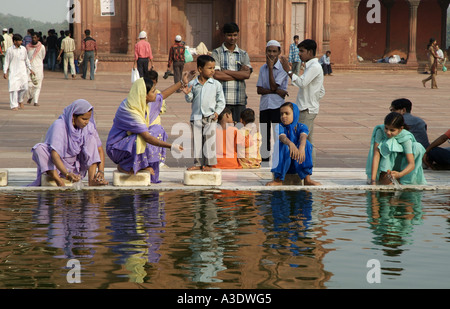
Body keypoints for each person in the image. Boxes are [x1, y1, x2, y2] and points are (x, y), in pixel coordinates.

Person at [107, 72, 194, 183]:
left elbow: (162, 95)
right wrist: (171, 146)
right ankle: (125, 166)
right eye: (153, 91)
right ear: (144, 95)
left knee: (158, 130)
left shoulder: (143, 101)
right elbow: (147, 138)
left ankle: (143, 165)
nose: (155, 93)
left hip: (128, 143)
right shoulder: (130, 111)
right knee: (141, 139)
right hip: (117, 148)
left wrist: (181, 83)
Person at [30, 99, 108, 187]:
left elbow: (99, 149)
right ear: (73, 116)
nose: (86, 122)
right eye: (84, 119)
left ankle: (92, 180)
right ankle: (58, 180)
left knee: (92, 140)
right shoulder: (59, 125)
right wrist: (66, 174)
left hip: (75, 167)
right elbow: (54, 154)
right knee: (39, 149)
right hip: (56, 166)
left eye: (88, 119)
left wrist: (101, 171)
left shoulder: (88, 127)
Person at [280, 39, 325, 165]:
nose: (299, 54)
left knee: (302, 140)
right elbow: (321, 91)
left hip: (306, 109)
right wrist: (313, 100)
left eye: (302, 51)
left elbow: (301, 83)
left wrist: (288, 70)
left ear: (310, 52)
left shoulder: (315, 67)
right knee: (307, 140)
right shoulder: (311, 66)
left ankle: (305, 169)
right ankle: (309, 169)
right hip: (307, 108)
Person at [185, 55, 226, 172]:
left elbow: (221, 101)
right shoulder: (193, 84)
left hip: (211, 117)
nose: (212, 70)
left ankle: (209, 164)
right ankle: (198, 163)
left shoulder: (216, 84)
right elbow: (189, 99)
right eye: (209, 68)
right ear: (200, 69)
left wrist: (217, 112)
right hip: (196, 117)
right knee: (197, 142)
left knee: (209, 141)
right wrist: (187, 93)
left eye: (213, 68)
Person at [266, 102, 321, 186]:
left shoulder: (302, 126)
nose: (283, 116)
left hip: (298, 162)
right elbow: (282, 137)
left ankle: (307, 179)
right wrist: (290, 144)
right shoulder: (279, 126)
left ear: (294, 114)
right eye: (281, 114)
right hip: (284, 165)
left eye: (287, 113)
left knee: (307, 144)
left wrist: (301, 147)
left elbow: (303, 136)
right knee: (281, 144)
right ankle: (278, 179)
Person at [366, 112, 426, 185]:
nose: (388, 132)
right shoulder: (380, 131)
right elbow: (376, 155)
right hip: (385, 167)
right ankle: (383, 176)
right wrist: (373, 180)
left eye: (392, 130)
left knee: (417, 147)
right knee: (387, 144)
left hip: (400, 167)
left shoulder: (405, 137)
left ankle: (405, 180)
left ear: (401, 129)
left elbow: (411, 164)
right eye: (386, 128)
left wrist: (399, 174)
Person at [212, 22, 252, 122]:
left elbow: (247, 74)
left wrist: (226, 71)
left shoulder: (243, 54)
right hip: (222, 100)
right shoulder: (216, 53)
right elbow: (216, 74)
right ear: (224, 35)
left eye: (235, 35)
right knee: (223, 132)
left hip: (239, 100)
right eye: (229, 35)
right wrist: (239, 75)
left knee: (238, 131)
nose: (232, 38)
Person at [257, 40, 289, 162]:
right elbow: (259, 90)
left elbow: (273, 86)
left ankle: (279, 160)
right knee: (264, 134)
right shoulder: (262, 68)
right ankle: (264, 160)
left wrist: (271, 69)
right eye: (269, 51)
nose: (271, 54)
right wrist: (277, 91)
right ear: (266, 52)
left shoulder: (282, 69)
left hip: (278, 106)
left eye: (274, 51)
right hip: (265, 105)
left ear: (279, 52)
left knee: (278, 135)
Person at [3, 34, 34, 111]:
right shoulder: (10, 50)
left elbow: (26, 59)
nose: (21, 42)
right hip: (13, 73)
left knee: (25, 88)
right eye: (19, 40)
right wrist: (5, 71)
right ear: (15, 41)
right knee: (13, 89)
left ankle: (20, 100)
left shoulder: (23, 49)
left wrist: (30, 68)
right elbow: (6, 61)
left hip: (22, 72)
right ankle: (14, 105)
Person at [26, 31, 46, 107]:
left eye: (35, 37)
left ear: (38, 38)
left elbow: (43, 56)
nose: (33, 39)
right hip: (29, 67)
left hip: (39, 67)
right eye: (32, 37)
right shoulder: (28, 46)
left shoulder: (42, 47)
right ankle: (30, 96)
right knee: (28, 85)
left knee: (38, 85)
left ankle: (36, 101)